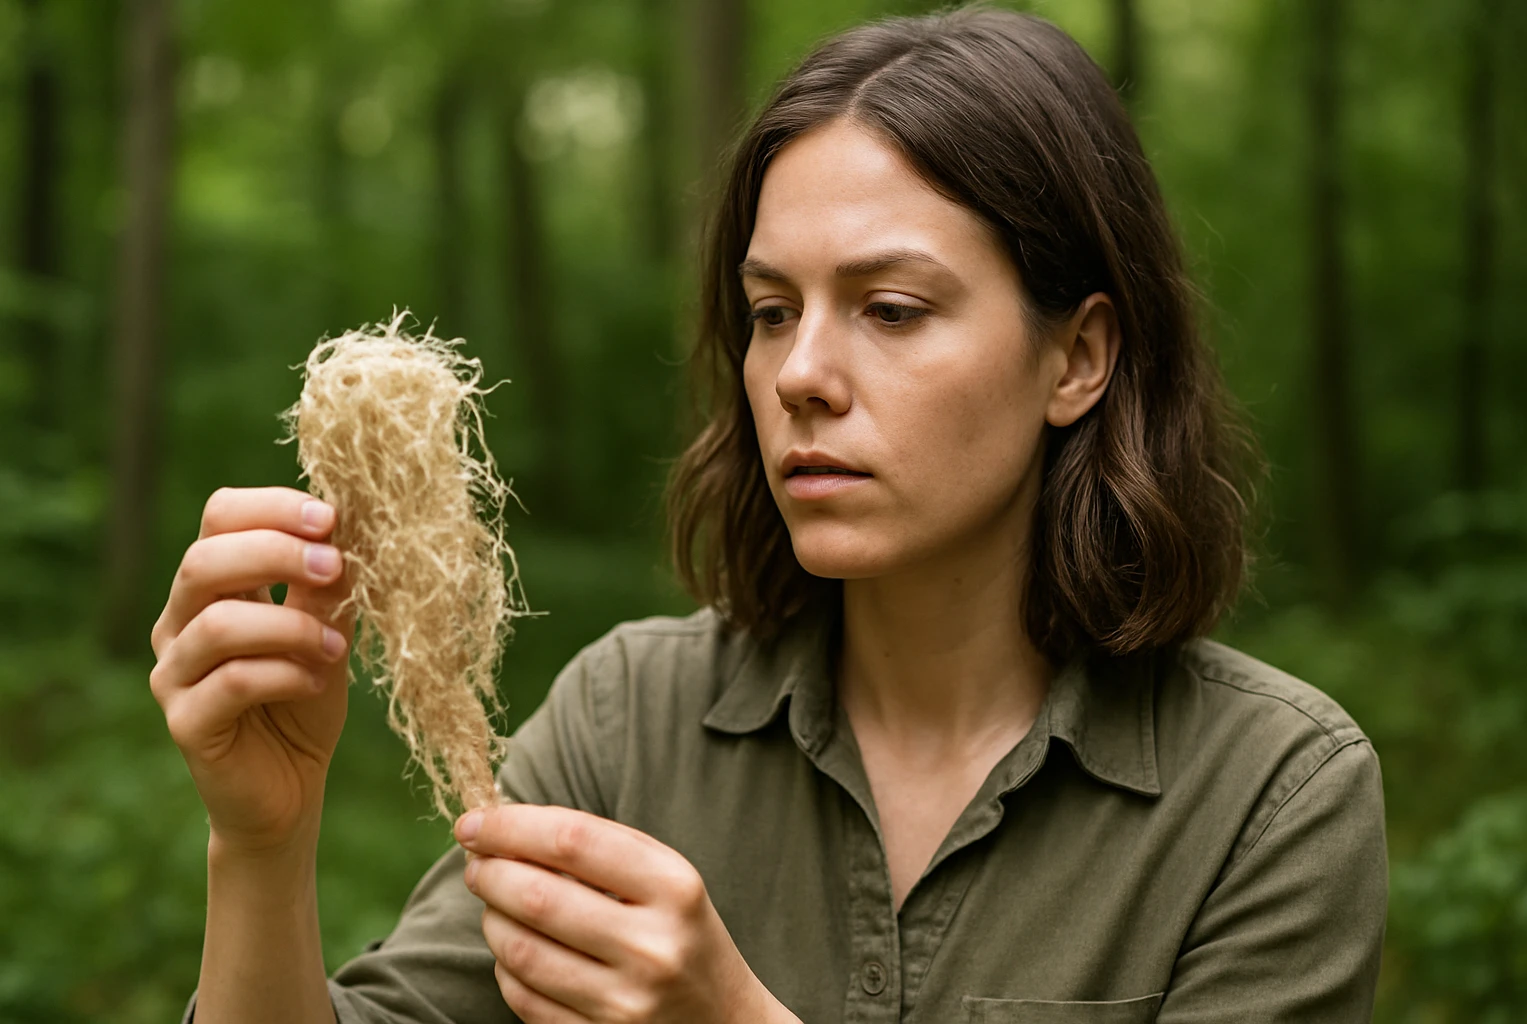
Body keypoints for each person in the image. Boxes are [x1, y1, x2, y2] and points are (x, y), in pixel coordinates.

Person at [156, 8, 1387, 1023]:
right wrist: (263, 846)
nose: (800, 374)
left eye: (891, 308)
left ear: (1079, 357)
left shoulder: (1271, 796)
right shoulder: (625, 725)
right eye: (771, 312)